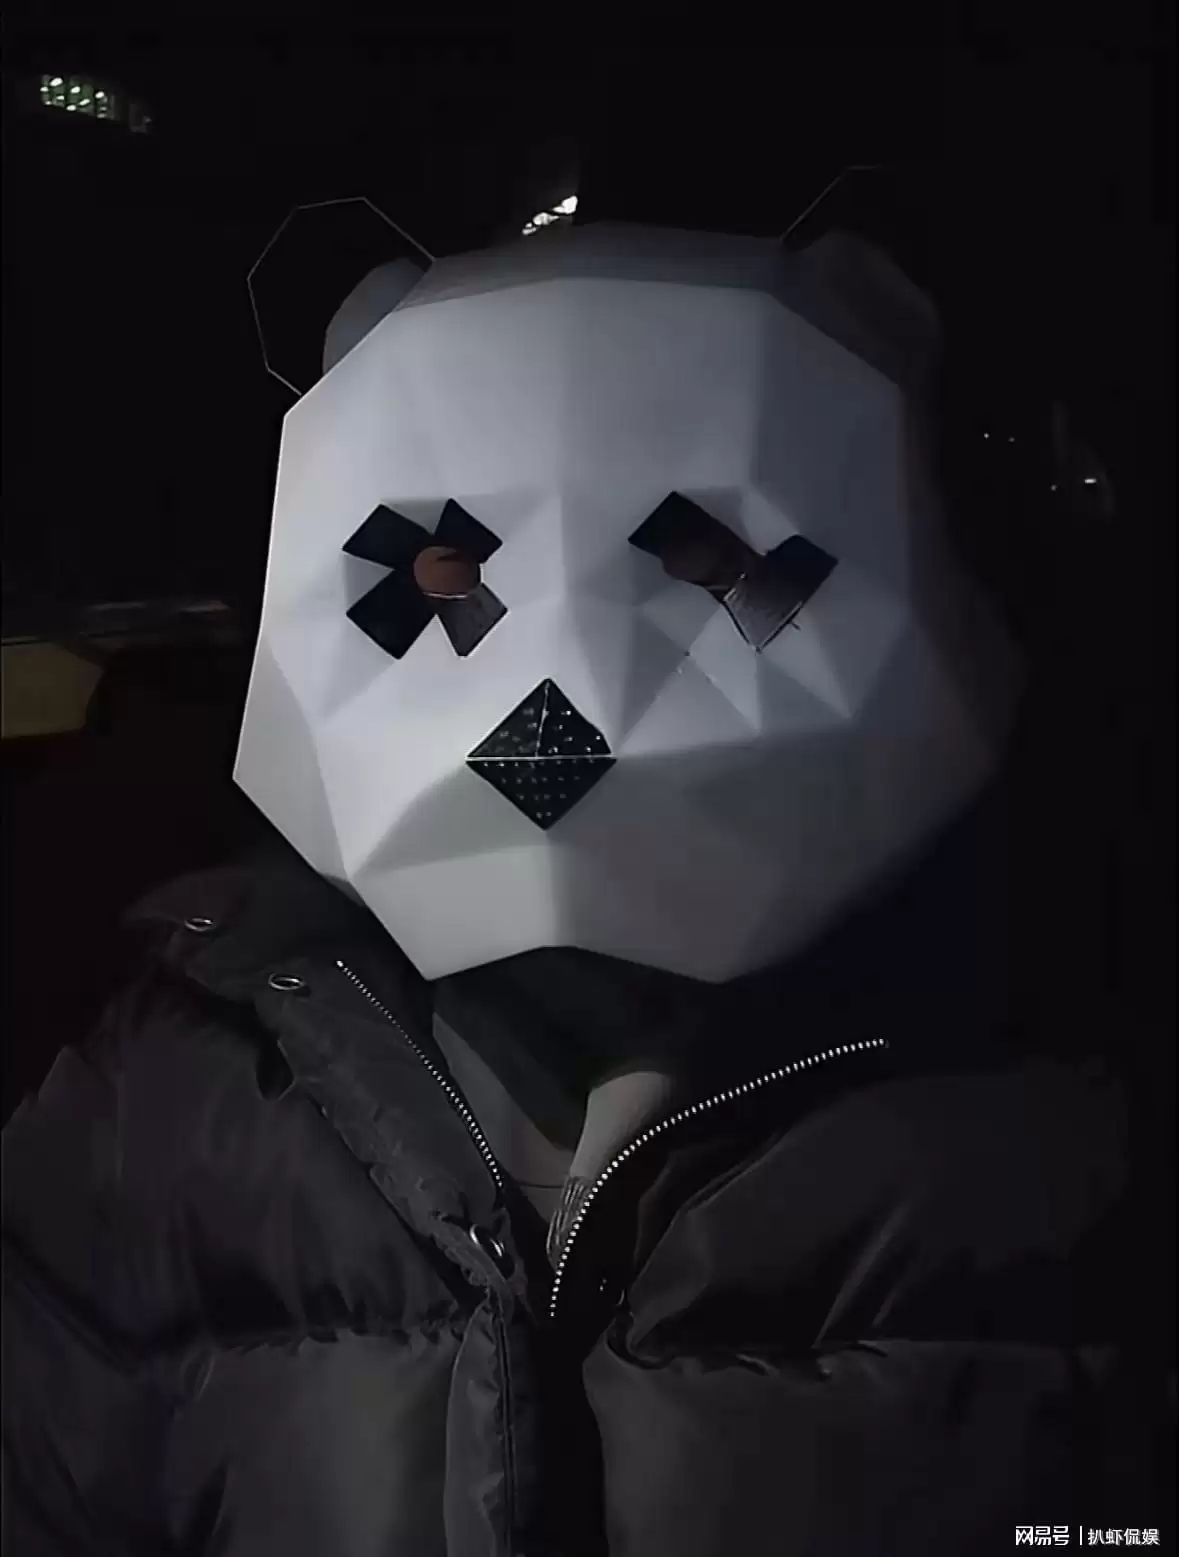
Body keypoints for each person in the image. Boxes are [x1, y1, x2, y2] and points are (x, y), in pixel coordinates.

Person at [2, 220, 1166, 1555]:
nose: (559, 703)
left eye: (705, 574)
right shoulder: (166, 1105)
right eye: (450, 581)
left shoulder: (1073, 1111)